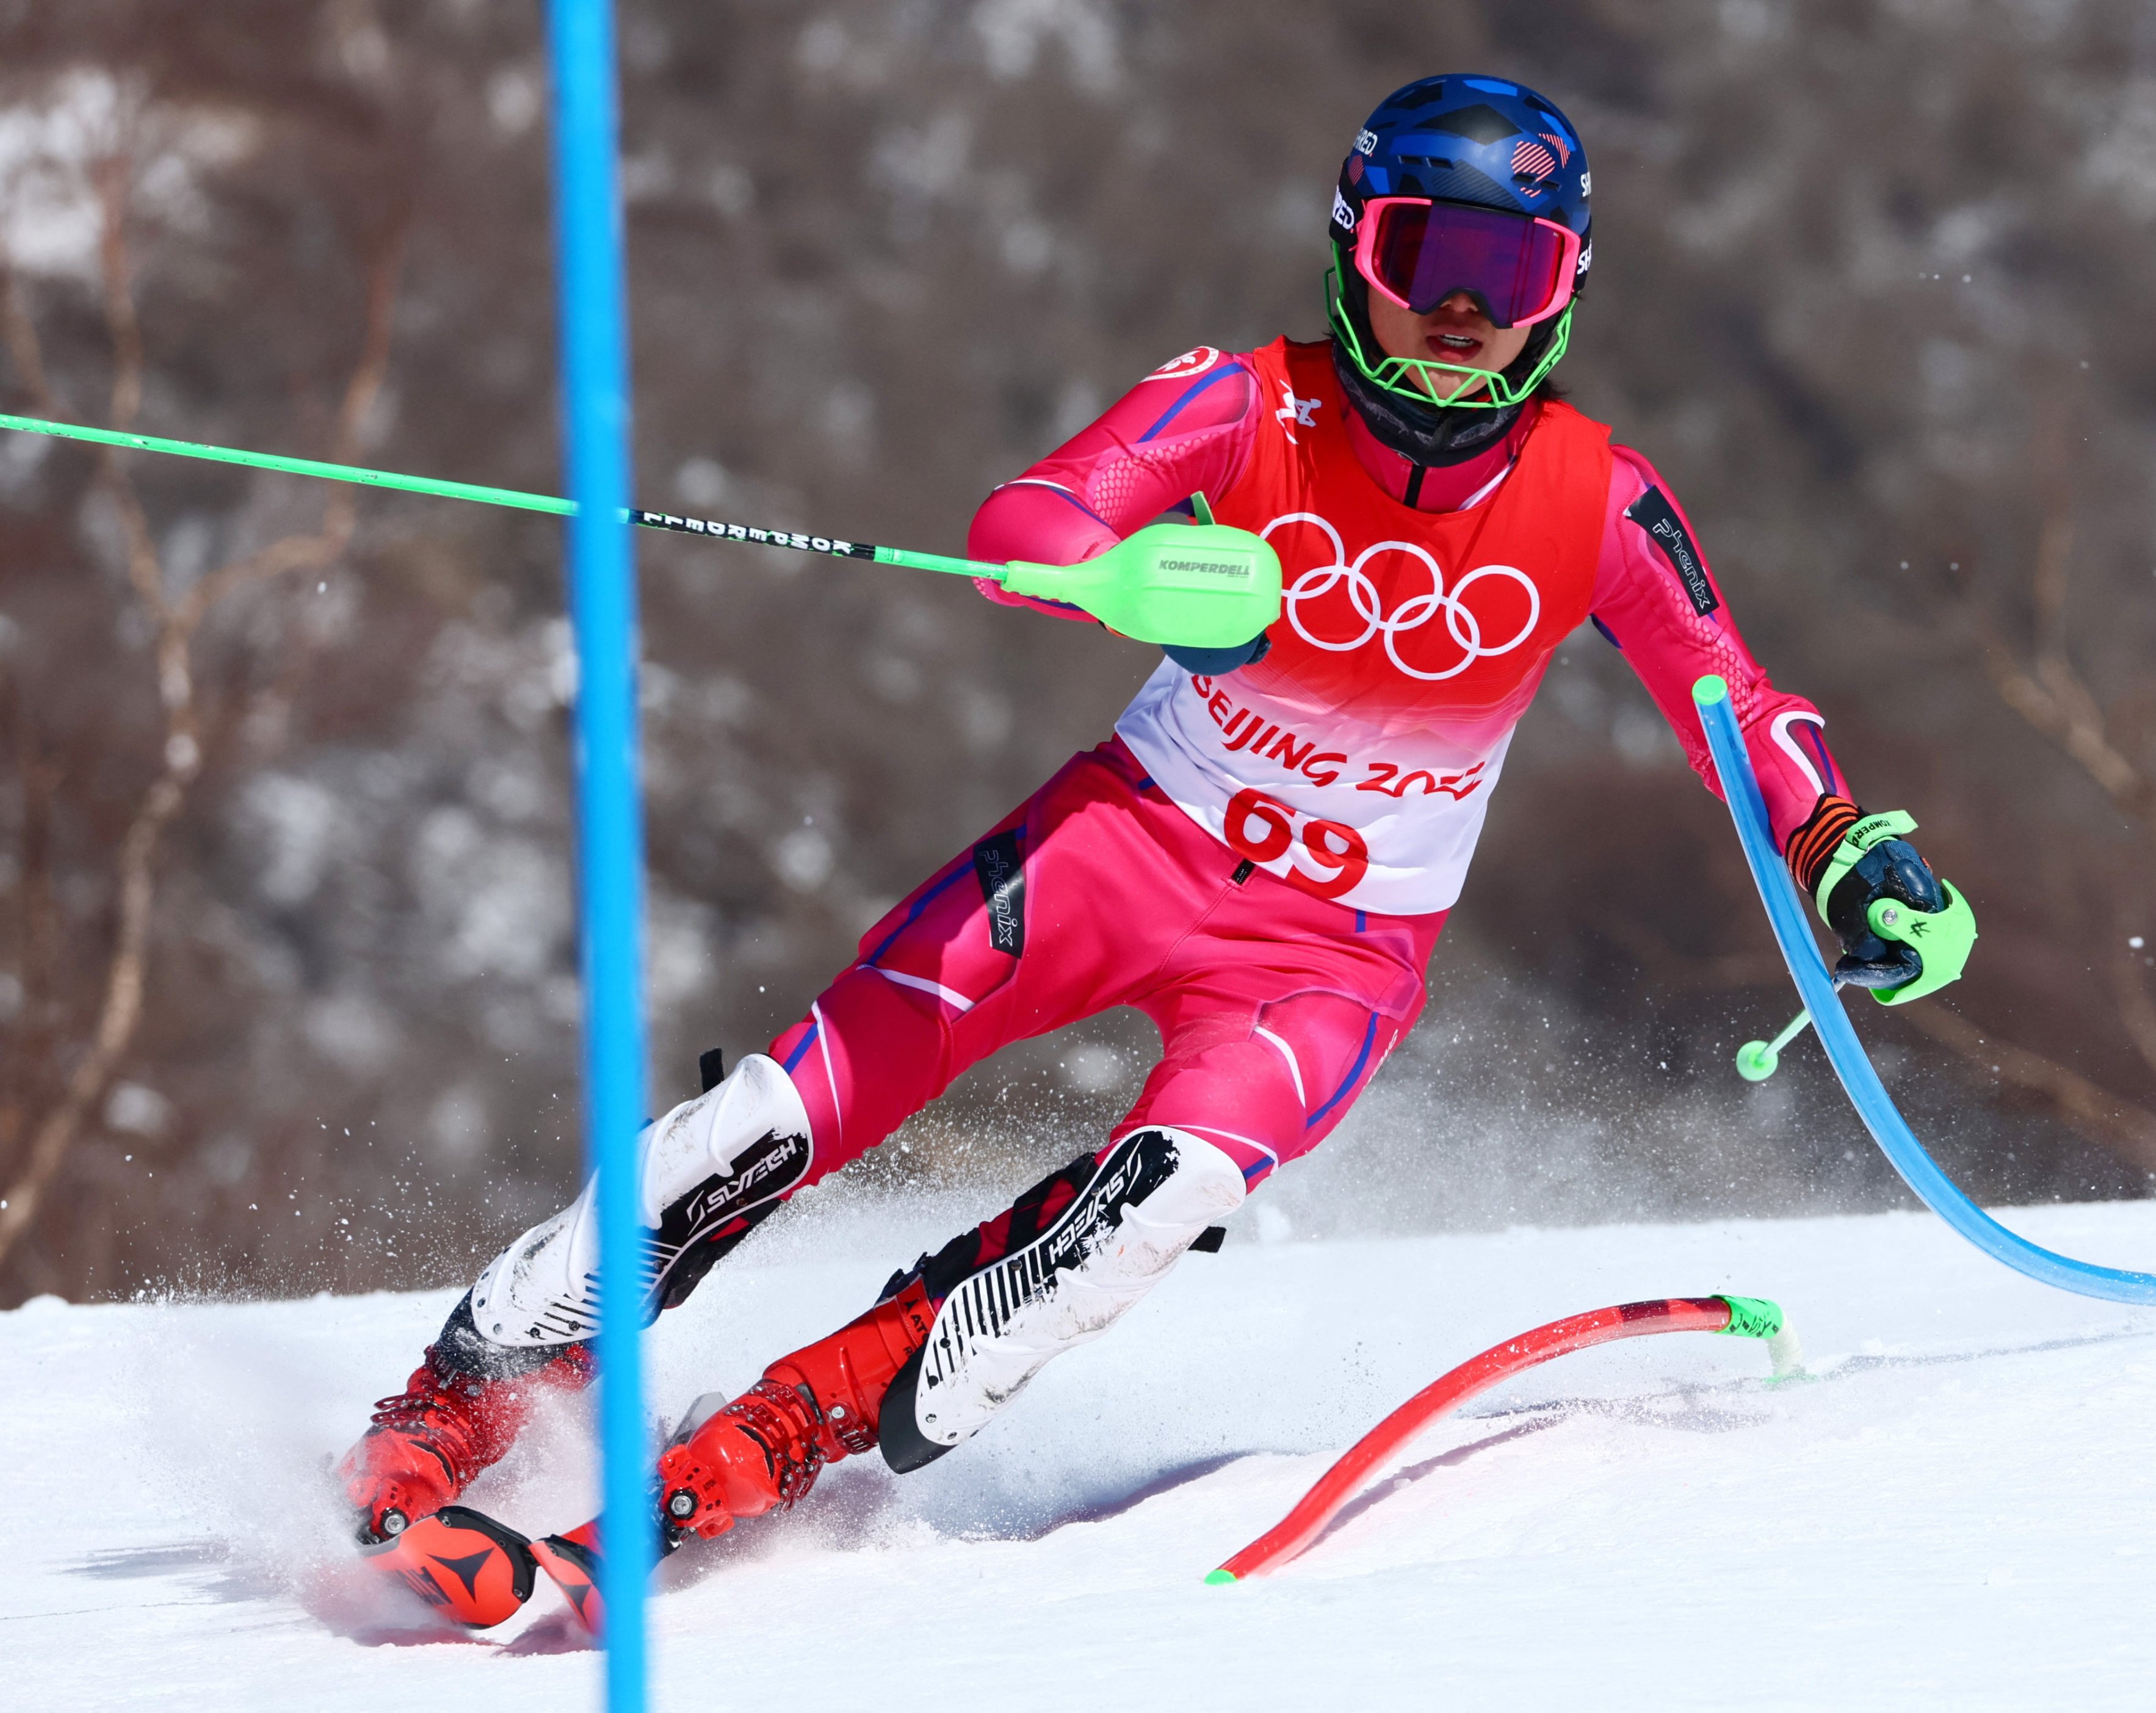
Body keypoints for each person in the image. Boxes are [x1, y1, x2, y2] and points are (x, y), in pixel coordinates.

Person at [341, 73, 1966, 1606]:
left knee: (1135, 1221)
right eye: (1423, 260)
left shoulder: (1598, 498)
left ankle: (775, 1440)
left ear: (1567, 290)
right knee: (779, 1110)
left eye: (1510, 274)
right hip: (1126, 843)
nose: (1461, 315)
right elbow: (1024, 524)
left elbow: (1733, 702)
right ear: (1356, 252)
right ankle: (469, 1395)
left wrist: (1849, 848)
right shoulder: (1242, 403)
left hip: (1334, 957)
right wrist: (1123, 571)